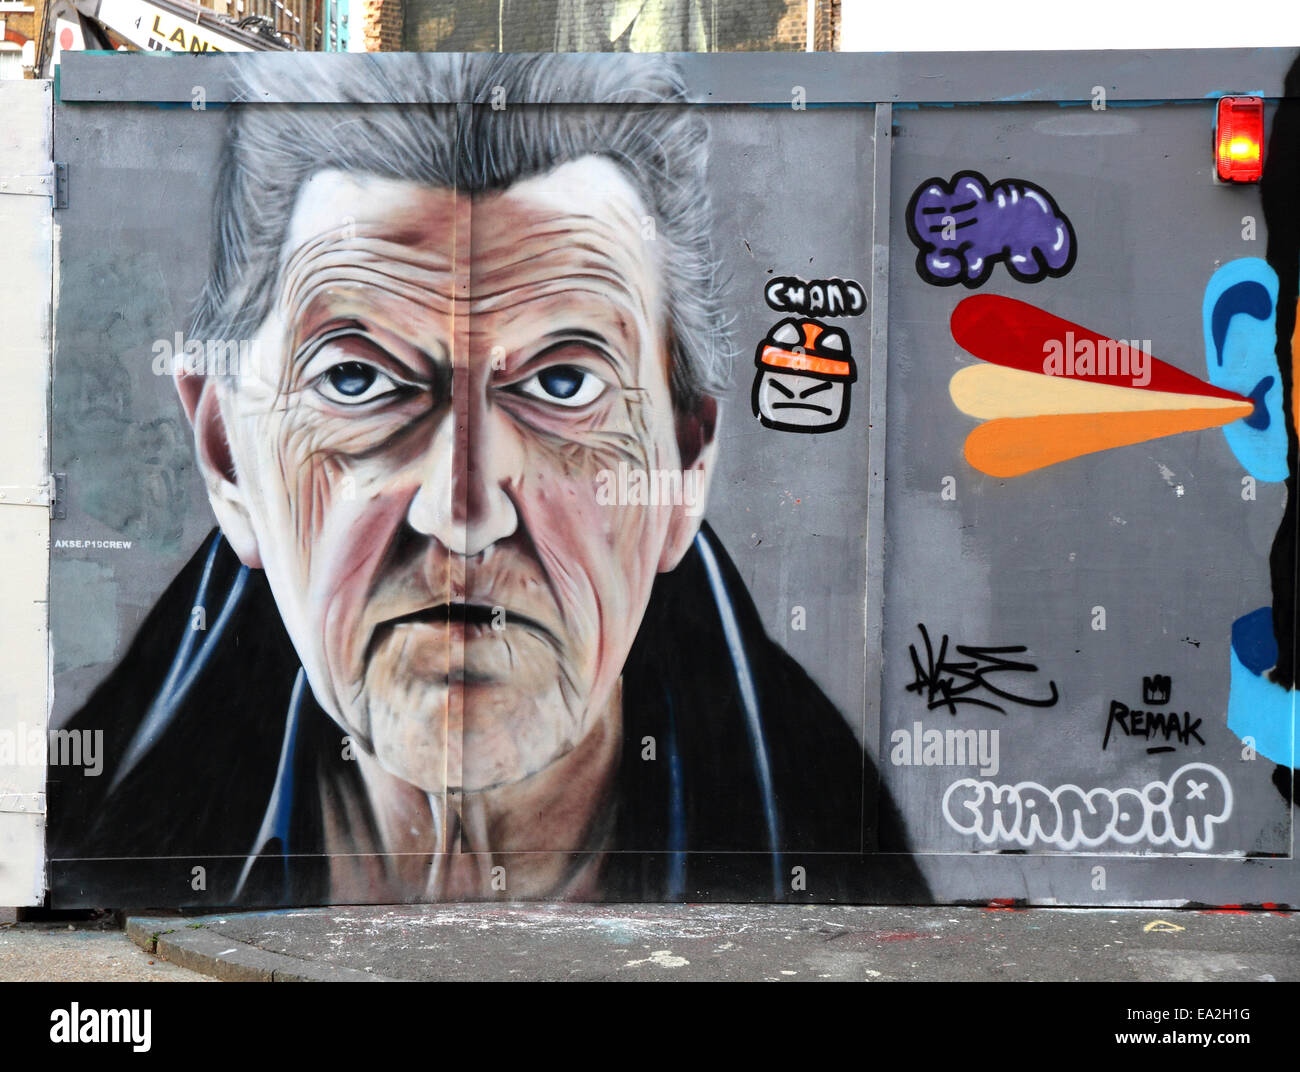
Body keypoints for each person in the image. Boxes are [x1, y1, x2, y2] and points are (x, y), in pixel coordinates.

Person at [49, 53, 926, 906]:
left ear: (688, 462)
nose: (461, 516)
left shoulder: (840, 843)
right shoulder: (89, 835)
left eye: (564, 383)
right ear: (226, 456)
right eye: (356, 381)